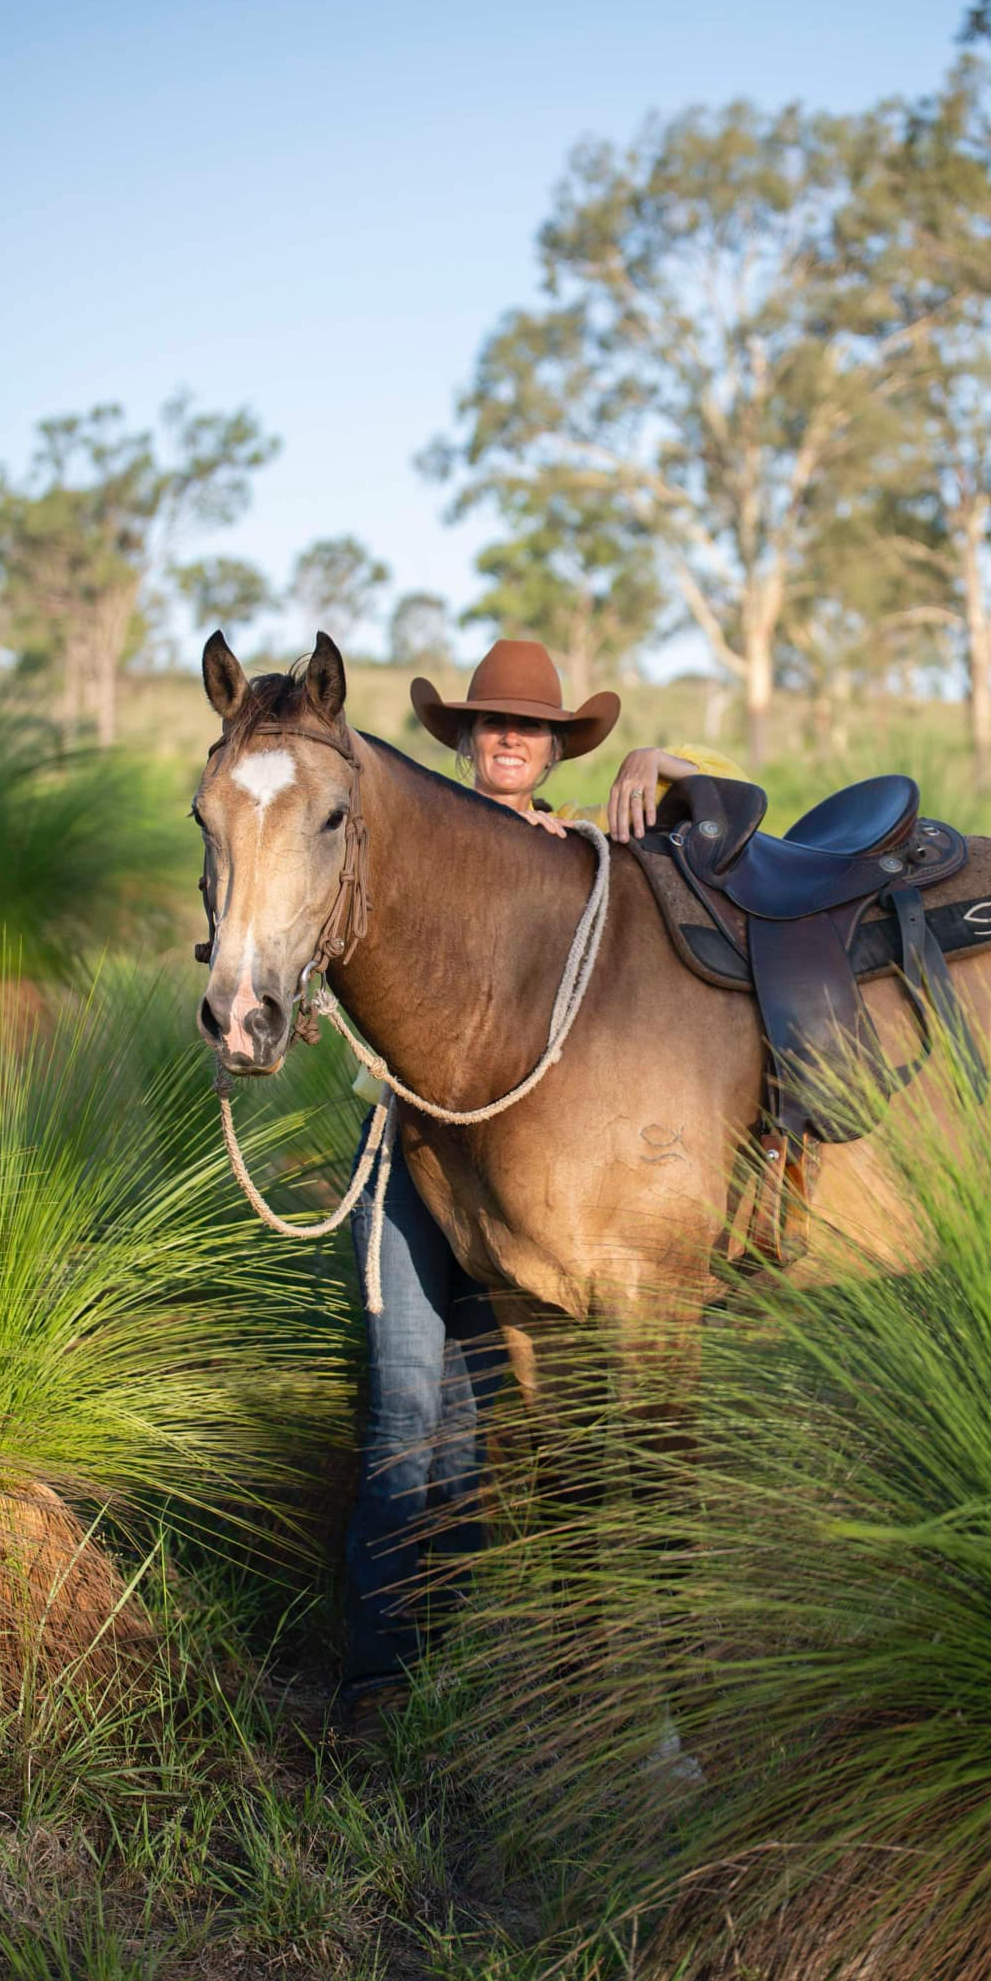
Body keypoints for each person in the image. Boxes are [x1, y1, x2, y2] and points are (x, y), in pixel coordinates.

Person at [338, 636, 743, 1729]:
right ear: (465, 738)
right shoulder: (423, 848)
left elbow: (735, 799)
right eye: (492, 721)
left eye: (532, 726)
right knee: (408, 1405)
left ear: (560, 749)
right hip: (422, 1153)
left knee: (487, 1426)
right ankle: (382, 1678)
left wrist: (661, 756)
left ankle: (458, 1640)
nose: (509, 737)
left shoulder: (586, 853)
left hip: (536, 1174)